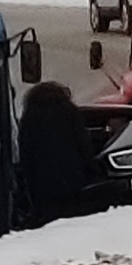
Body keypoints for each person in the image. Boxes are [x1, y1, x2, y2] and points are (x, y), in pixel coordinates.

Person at [17, 82, 94, 227]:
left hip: (43, 183)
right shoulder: (70, 112)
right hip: (73, 179)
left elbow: (25, 152)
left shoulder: (31, 115)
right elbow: (83, 145)